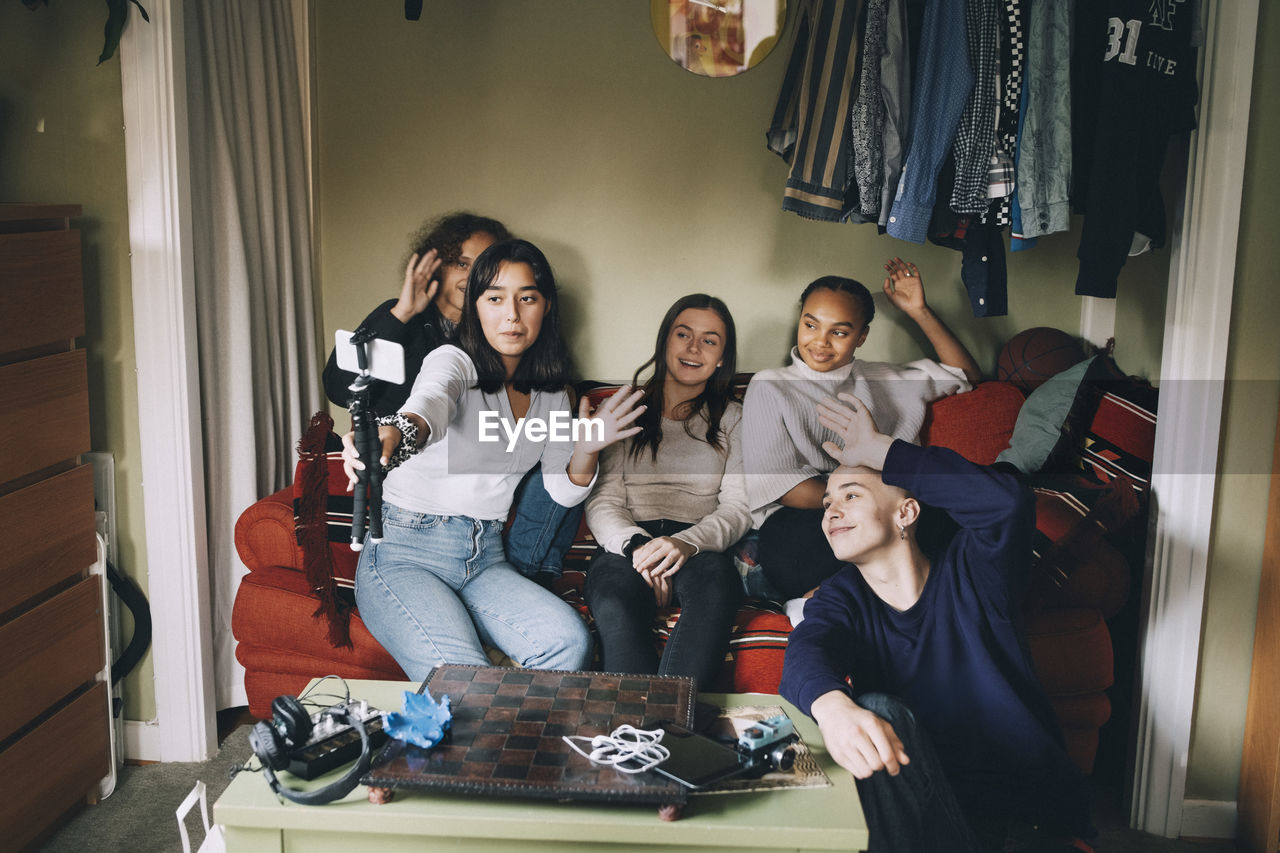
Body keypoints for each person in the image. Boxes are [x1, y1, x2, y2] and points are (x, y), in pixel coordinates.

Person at [778, 393, 1095, 853]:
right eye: (828, 502)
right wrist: (833, 708)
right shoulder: (841, 597)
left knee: (879, 710)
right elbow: (809, 648)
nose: (832, 511)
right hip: (926, 811)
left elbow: (1005, 503)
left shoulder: (975, 570)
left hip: (1016, 818)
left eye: (852, 495)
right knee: (873, 708)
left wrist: (883, 454)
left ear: (906, 513)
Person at [342, 239, 645, 681]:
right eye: (495, 298)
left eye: (527, 298)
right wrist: (397, 431)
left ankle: (516, 746)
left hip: (483, 558)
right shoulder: (453, 361)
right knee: (469, 685)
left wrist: (589, 446)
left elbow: (562, 488)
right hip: (405, 554)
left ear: (546, 307)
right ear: (475, 306)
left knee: (568, 642)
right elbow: (429, 406)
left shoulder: (554, 395)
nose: (512, 315)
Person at [323, 212, 577, 583]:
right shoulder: (409, 325)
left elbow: (546, 390)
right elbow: (342, 387)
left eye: (485, 265)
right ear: (436, 265)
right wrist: (401, 313)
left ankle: (528, 573)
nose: (473, 274)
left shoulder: (509, 329)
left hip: (485, 489)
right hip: (405, 467)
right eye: (462, 263)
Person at [742, 258, 981, 609]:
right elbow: (785, 489)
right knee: (784, 537)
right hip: (816, 521)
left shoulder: (886, 378)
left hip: (896, 517)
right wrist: (863, 504)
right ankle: (833, 601)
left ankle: (852, 597)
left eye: (839, 332)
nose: (820, 341)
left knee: (961, 512)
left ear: (861, 336)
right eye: (810, 325)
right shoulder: (770, 386)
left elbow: (966, 375)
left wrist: (919, 311)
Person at [583, 294, 749, 689]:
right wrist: (640, 549)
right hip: (627, 543)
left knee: (719, 588)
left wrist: (684, 545)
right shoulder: (626, 408)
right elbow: (604, 499)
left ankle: (671, 729)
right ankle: (634, 733)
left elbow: (739, 506)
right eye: (683, 334)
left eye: (710, 340)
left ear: (723, 357)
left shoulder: (734, 417)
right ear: (664, 343)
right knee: (613, 600)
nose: (694, 348)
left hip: (698, 545)